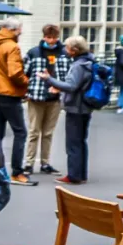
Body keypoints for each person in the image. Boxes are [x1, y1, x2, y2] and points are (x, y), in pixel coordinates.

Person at [38, 36, 95, 185]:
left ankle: (74, 175)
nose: (65, 50)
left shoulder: (78, 66)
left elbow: (71, 86)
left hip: (75, 107)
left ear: (75, 50)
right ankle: (81, 173)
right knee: (81, 142)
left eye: (68, 47)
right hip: (85, 106)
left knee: (73, 142)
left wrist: (49, 79)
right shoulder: (89, 62)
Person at [0, 17, 34, 186]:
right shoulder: (12, 47)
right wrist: (27, 82)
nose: (21, 33)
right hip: (9, 95)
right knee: (20, 133)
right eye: (20, 30)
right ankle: (17, 172)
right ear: (13, 30)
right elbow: (15, 73)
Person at [21, 24, 69, 177]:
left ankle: (45, 162)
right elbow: (25, 73)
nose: (52, 40)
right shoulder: (34, 52)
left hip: (55, 97)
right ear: (43, 36)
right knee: (34, 131)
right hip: (36, 96)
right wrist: (25, 91)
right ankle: (29, 163)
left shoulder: (64, 53)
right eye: (49, 37)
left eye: (54, 37)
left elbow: (68, 73)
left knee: (48, 132)